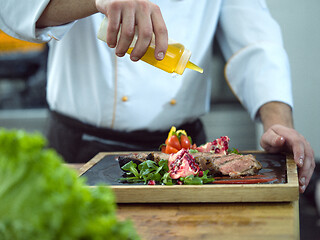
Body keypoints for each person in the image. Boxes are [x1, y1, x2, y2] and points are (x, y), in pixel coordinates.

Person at [0, 0, 314, 193]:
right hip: (77, 148)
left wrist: (279, 124)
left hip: (186, 152)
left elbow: (256, 44)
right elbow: (15, 7)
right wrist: (95, 0)